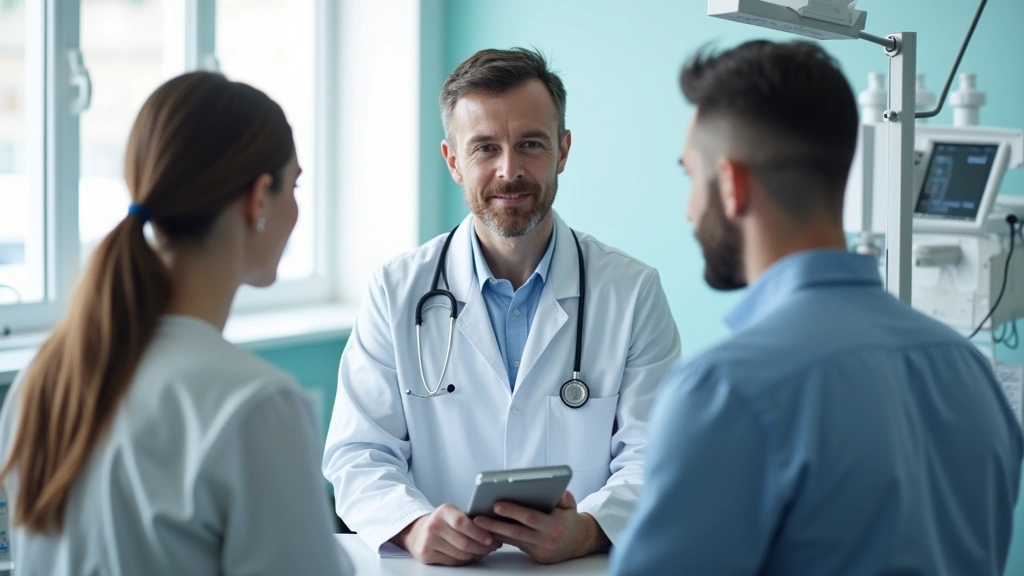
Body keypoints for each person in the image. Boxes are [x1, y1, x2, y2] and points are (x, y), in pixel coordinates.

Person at [610, 40, 1024, 575]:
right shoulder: (971, 373)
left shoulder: (726, 391)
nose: (690, 210)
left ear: (732, 186)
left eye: (692, 176)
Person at [323, 47, 681, 566]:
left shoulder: (632, 291)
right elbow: (357, 451)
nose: (508, 171)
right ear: (452, 161)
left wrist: (587, 529)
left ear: (563, 150)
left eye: (530, 144)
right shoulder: (396, 291)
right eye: (485, 148)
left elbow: (659, 454)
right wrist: (412, 525)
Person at [0, 72, 352, 575]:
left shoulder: (43, 383)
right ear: (258, 198)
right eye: (293, 185)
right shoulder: (255, 405)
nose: (296, 207)